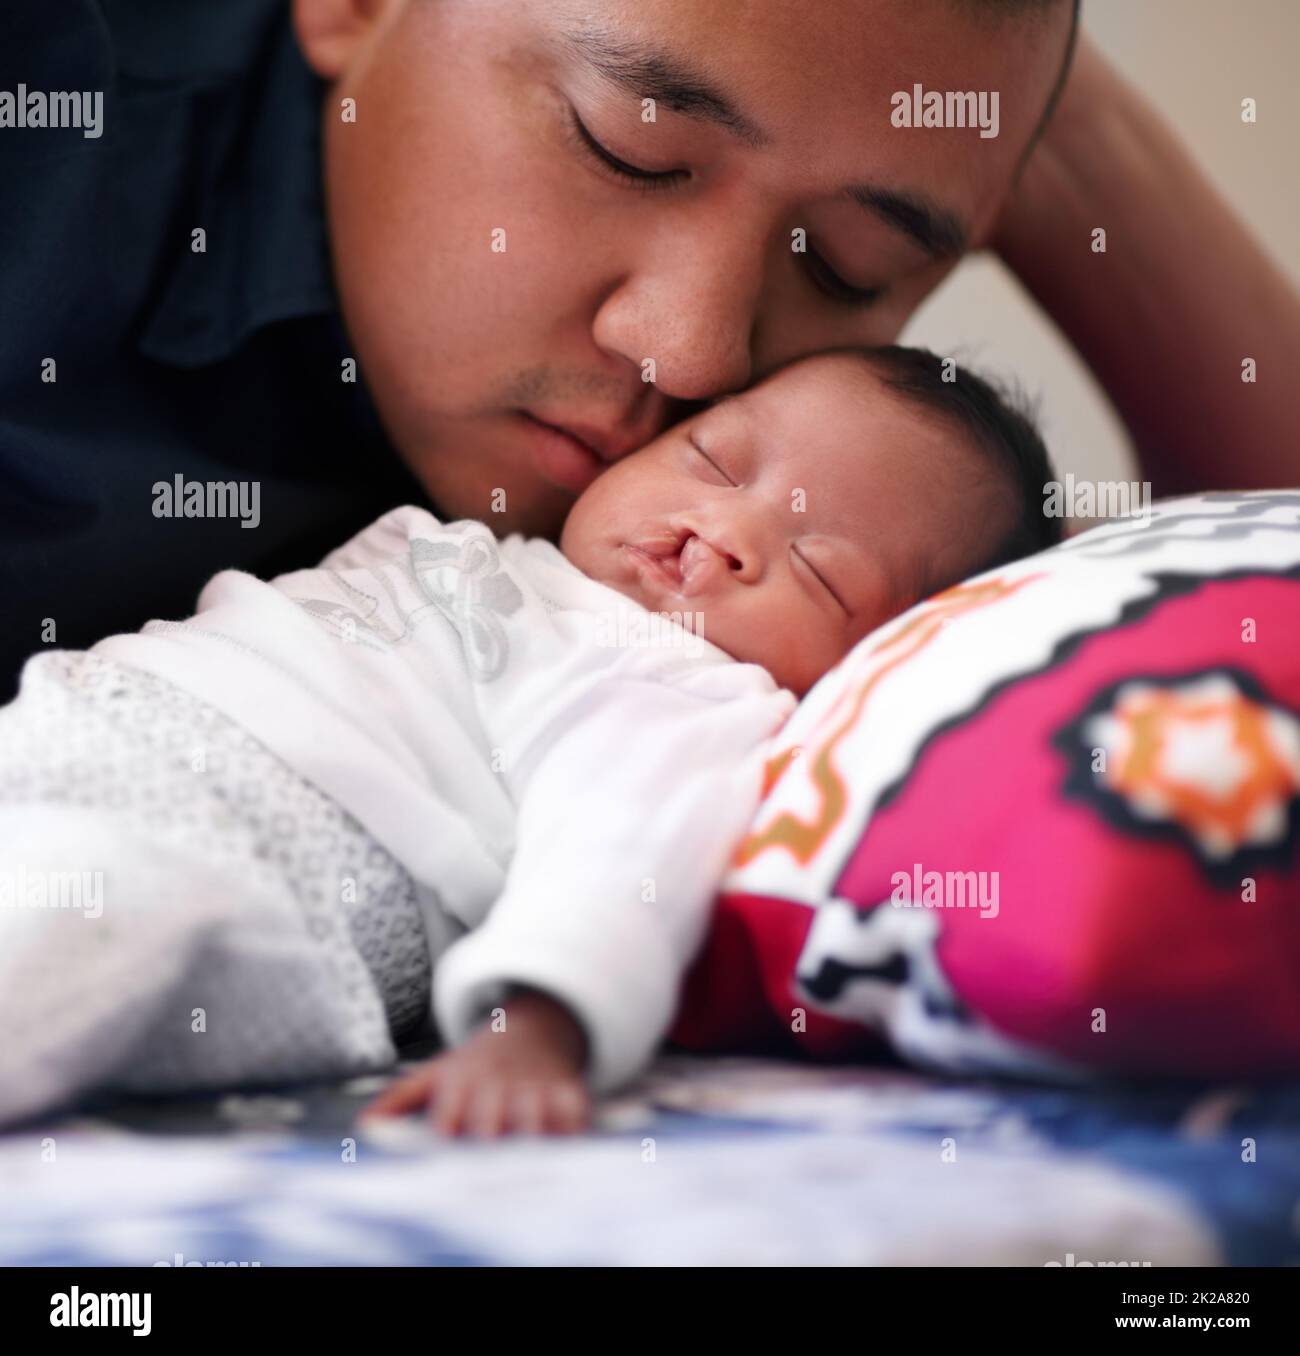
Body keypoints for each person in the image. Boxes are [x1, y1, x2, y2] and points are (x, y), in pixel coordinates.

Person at [3, 0, 1297, 699]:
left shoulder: (758, 524)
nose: (687, 351)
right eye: (628, 147)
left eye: (852, 264)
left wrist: (1069, 144)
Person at [0, 346, 1058, 1135]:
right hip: (74, 728)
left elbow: (625, 852)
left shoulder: (682, 687)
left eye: (819, 570)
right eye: (712, 459)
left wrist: (542, 1020)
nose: (724, 531)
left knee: (80, 907)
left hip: (248, 874)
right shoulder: (496, 552)